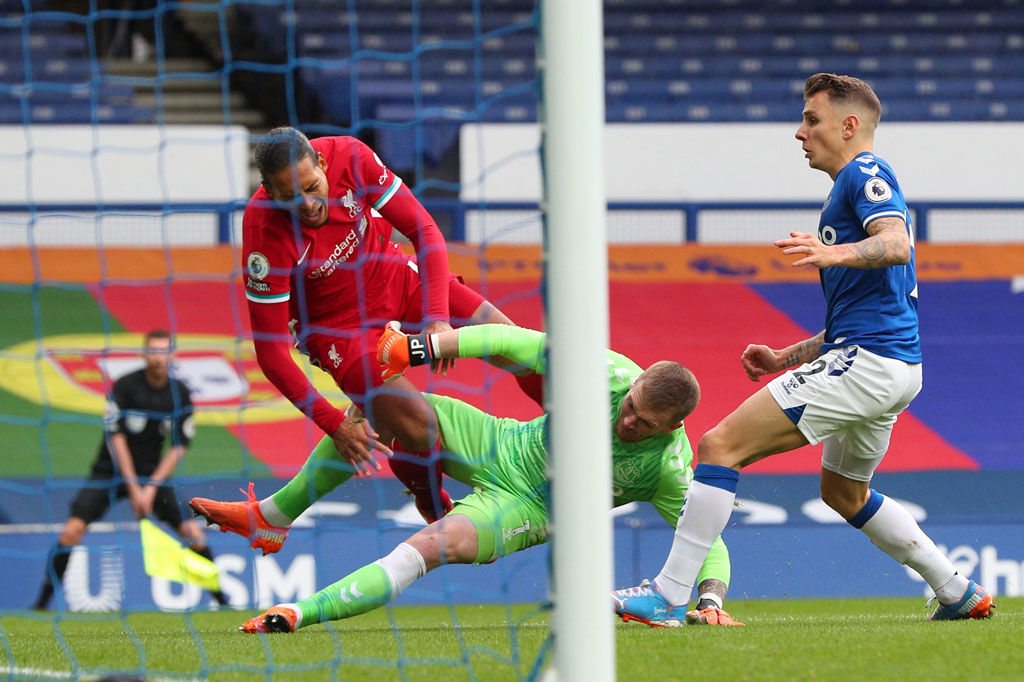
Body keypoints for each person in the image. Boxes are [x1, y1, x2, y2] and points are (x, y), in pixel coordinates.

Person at [613, 73, 994, 623]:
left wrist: (831, 253)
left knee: (719, 445)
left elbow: (896, 243)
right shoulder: (849, 189)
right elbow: (861, 316)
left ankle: (668, 594)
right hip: (891, 365)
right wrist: (786, 358)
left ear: (849, 125)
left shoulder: (865, 172)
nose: (800, 132)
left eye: (811, 120)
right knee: (843, 493)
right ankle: (956, 589)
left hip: (867, 366)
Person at [226, 322, 740, 633]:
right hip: (500, 441)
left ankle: (298, 613)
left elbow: (703, 538)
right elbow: (509, 340)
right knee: (375, 407)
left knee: (429, 546)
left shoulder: (671, 466)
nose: (627, 420)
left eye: (643, 423)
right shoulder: (610, 374)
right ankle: (272, 516)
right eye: (630, 407)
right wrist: (419, 347)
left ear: (672, 427)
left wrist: (710, 598)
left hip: (529, 508)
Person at [237, 126, 541, 525]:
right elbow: (270, 352)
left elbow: (424, 231)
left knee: (513, 343)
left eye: (312, 186)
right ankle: (430, 502)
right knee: (419, 425)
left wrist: (436, 320)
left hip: (392, 275)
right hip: (337, 331)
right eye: (289, 197)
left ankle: (571, 446)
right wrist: (333, 426)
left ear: (324, 164)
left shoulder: (353, 157)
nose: (308, 203)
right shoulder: (264, 234)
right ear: (268, 190)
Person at [34, 330, 226, 609]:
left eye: (163, 352)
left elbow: (178, 447)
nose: (158, 358)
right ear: (144, 354)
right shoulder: (125, 386)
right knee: (71, 531)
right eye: (153, 351)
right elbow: (117, 438)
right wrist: (135, 487)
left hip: (153, 477)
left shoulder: (179, 393)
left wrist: (149, 489)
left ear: (172, 355)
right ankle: (41, 604)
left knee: (192, 533)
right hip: (109, 473)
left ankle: (223, 601)